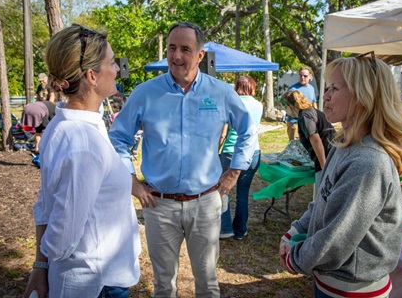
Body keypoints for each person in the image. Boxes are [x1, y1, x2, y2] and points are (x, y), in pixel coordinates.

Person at [109, 21, 257, 297]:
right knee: (164, 285)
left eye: (185, 49)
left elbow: (248, 129)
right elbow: (118, 137)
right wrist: (132, 182)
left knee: (208, 282)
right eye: (171, 48)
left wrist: (235, 171)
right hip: (159, 204)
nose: (176, 56)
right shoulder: (145, 93)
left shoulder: (220, 92)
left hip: (205, 203)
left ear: (200, 55)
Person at [22, 24, 141, 298]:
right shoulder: (82, 142)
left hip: (96, 278)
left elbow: (45, 204)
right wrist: (45, 263)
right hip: (96, 284)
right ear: (92, 76)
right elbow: (63, 236)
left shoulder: (65, 124)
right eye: (111, 62)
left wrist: (40, 265)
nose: (117, 68)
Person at [279, 52, 402, 298]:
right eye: (326, 87)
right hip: (332, 283)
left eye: (334, 88)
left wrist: (296, 259)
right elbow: (323, 202)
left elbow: (336, 238)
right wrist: (295, 231)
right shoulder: (344, 144)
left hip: (353, 290)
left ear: (363, 97)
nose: (325, 95)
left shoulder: (368, 161)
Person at [218, 75, 263, 240]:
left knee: (223, 189)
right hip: (254, 152)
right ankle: (240, 229)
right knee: (243, 193)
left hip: (231, 151)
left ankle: (225, 227)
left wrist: (216, 149)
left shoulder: (231, 103)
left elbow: (224, 132)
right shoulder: (259, 105)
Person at [280, 90, 334, 185]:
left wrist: (323, 166)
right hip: (331, 155)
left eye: (285, 108)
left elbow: (316, 140)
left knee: (322, 195)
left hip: (328, 158)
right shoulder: (310, 111)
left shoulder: (304, 115)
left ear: (290, 107)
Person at [285, 67, 317, 141]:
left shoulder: (311, 88)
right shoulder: (292, 89)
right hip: (294, 123)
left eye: (305, 76)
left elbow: (313, 103)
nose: (302, 78)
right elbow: (286, 104)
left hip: (308, 122)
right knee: (294, 145)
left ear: (310, 76)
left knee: (307, 144)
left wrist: (316, 117)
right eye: (300, 75)